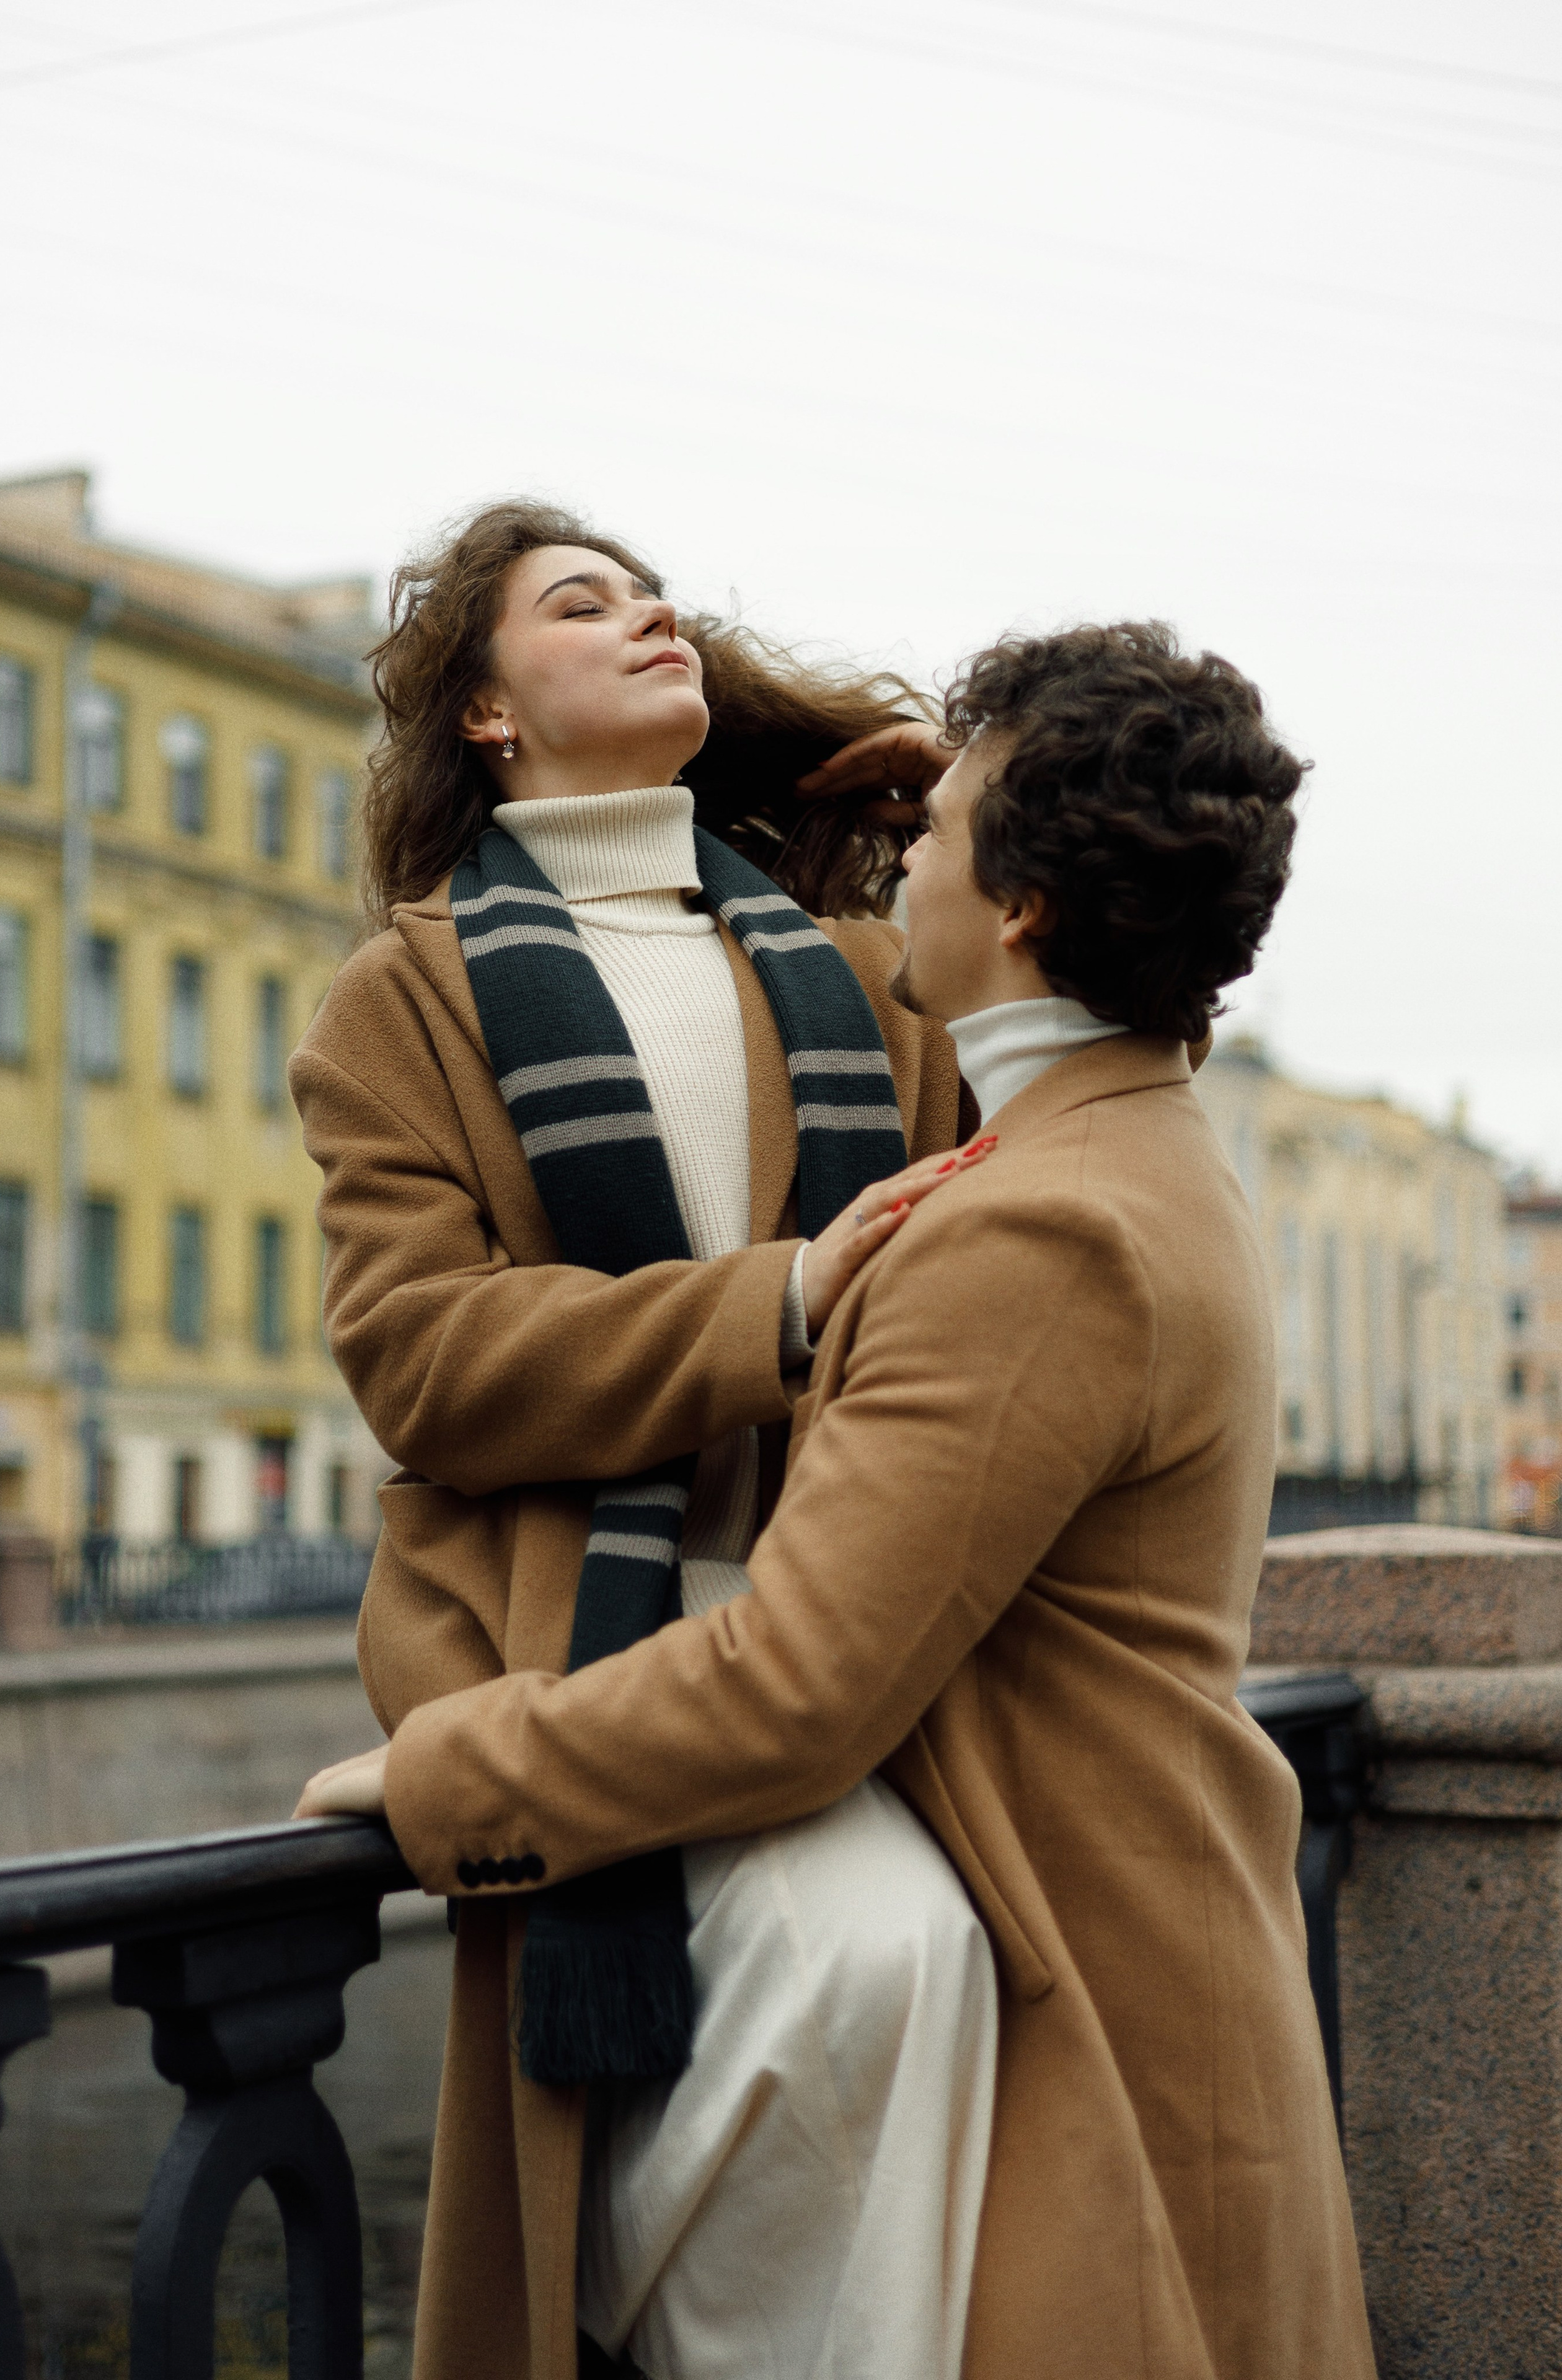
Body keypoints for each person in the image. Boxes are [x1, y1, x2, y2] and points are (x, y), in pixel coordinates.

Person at [301, 619, 1379, 2380]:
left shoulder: (1033, 1224)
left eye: (937, 837)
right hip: (1133, 1915)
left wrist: (450, 1772)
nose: (901, 865)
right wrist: (1004, 817)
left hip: (1082, 1960)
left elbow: (796, 1685)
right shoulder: (1139, 1150)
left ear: (1023, 907)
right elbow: (427, 1348)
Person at [289, 498, 1004, 2380]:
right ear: (485, 712)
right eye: (582, 604)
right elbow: (426, 1362)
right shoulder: (407, 996)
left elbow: (1055, 1136)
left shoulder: (854, 968)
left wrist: (972, 815)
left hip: (846, 1631)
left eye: (657, 595)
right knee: (882, 1964)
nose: (649, 614)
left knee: (930, 1999)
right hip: (574, 1640)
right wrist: (782, 1301)